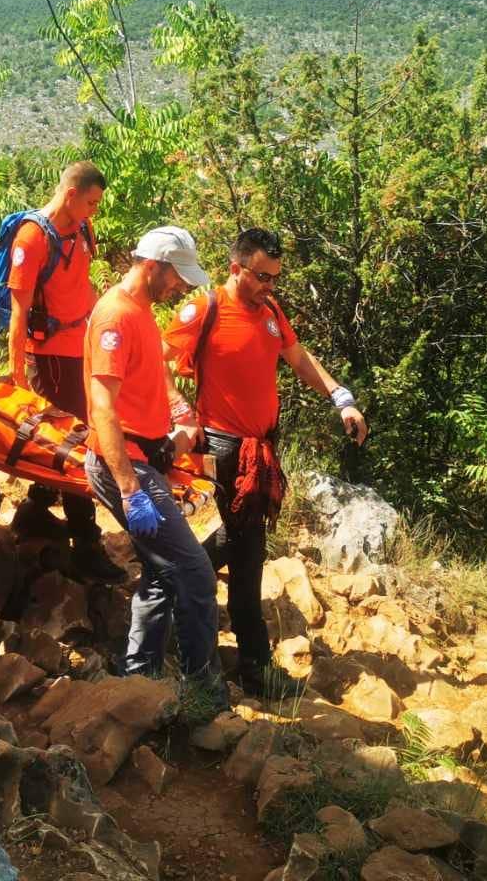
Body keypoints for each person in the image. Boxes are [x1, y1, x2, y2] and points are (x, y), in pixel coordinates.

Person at [165, 227, 369, 699]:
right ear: (236, 267)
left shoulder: (272, 312)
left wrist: (342, 398)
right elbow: (155, 361)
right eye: (260, 276)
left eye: (274, 278)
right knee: (240, 548)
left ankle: (180, 592)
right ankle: (249, 661)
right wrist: (180, 413)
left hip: (262, 446)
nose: (268, 286)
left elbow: (298, 359)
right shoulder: (206, 309)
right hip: (222, 447)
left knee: (242, 542)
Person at [83, 225, 227, 708]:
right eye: (176, 278)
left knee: (163, 571)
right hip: (123, 461)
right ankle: (202, 689)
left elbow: (152, 369)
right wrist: (130, 488)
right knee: (195, 572)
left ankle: (138, 678)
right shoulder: (115, 317)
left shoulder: (140, 310)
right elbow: (103, 406)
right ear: (153, 265)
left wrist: (176, 408)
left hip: (145, 453)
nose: (179, 288)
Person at [5, 160, 124, 581]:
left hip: (80, 349)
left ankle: (34, 514)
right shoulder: (33, 238)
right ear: (71, 194)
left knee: (70, 442)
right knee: (77, 446)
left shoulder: (81, 230)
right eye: (90, 201)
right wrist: (16, 372)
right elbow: (18, 312)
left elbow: (81, 288)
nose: (94, 210)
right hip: (50, 358)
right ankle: (87, 545)